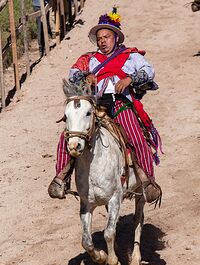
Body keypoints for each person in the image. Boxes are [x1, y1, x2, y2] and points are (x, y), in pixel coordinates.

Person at [48, 7, 162, 202]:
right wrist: (86, 76)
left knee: (134, 134)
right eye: (100, 38)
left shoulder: (130, 56)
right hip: (95, 106)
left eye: (107, 37)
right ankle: (62, 177)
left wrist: (130, 79)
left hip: (120, 104)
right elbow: (72, 73)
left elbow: (148, 71)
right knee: (69, 134)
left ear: (115, 38)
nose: (102, 41)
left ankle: (146, 180)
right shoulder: (90, 60)